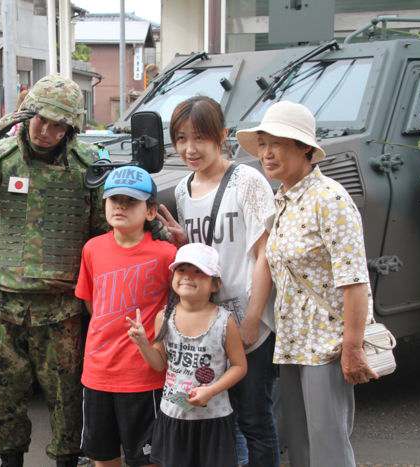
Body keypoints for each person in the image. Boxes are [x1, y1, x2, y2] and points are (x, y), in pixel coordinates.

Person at [0, 74, 108, 467]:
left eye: (59, 125)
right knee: (4, 397)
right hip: (5, 305)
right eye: (40, 120)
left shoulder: (89, 167)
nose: (48, 132)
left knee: (66, 399)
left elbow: (107, 232)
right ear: (25, 115)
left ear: (72, 127)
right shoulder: (1, 158)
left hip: (62, 308)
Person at [236, 100, 378, 467]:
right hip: (293, 342)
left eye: (277, 143)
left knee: (328, 446)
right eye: (263, 144)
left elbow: (354, 279)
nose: (266, 153)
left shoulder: (330, 199)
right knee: (299, 445)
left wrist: (352, 346)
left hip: (327, 346)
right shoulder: (284, 199)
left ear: (305, 149)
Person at [156, 96, 279, 466]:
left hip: (247, 319)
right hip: (207, 324)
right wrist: (183, 240)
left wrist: (253, 320)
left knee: (254, 416)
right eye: (180, 139)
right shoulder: (182, 189)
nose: (189, 149)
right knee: (221, 416)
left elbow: (264, 255)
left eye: (199, 138)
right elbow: (205, 255)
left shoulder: (247, 180)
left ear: (221, 136)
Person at [75, 165, 177, 467]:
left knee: (146, 460)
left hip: (142, 377)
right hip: (97, 373)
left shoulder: (166, 255)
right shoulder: (92, 249)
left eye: (131, 201)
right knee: (103, 457)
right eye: (114, 199)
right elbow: (92, 305)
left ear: (150, 211)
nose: (120, 206)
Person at [128, 243, 247, 467]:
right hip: (173, 416)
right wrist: (143, 344)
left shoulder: (224, 320)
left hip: (214, 419)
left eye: (198, 272)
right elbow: (159, 364)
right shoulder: (164, 317)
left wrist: (211, 391)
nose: (187, 277)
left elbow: (240, 366)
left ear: (215, 284)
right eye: (181, 270)